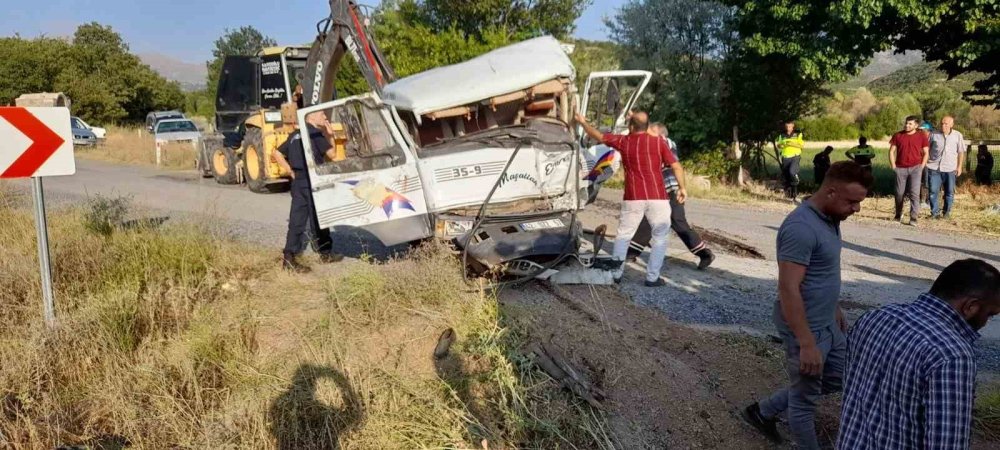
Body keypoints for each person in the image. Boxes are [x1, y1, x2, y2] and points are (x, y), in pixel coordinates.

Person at [741, 161, 872, 449]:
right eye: (852, 202)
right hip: (807, 329)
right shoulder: (800, 227)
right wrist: (806, 343)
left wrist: (833, 305)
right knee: (803, 404)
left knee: (844, 376)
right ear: (831, 192)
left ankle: (763, 410)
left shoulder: (830, 219)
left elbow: (822, 272)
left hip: (827, 323)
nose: (857, 209)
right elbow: (788, 288)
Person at [838, 259, 1000, 450]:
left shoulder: (875, 317)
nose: (986, 322)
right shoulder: (952, 355)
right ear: (971, 307)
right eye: (990, 314)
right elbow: (947, 444)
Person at [575, 111, 688, 287]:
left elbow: (598, 136)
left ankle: (616, 273)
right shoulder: (659, 142)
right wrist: (682, 188)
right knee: (660, 237)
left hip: (633, 197)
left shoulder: (624, 141)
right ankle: (652, 277)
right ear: (648, 126)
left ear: (631, 126)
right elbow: (677, 166)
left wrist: (582, 122)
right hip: (658, 197)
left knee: (624, 235)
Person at [627, 123, 716, 270]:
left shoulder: (667, 143)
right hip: (660, 191)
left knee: (672, 221)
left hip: (671, 191)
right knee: (659, 220)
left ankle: (704, 254)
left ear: (661, 134)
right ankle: (631, 252)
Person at [273, 107, 345, 273]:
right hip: (313, 180)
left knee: (297, 220)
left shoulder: (294, 135)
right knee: (320, 217)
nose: (325, 116)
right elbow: (333, 155)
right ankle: (325, 253)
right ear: (311, 117)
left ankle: (289, 258)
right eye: (321, 114)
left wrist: (290, 171)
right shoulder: (314, 134)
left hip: (298, 182)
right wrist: (330, 134)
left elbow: (276, 153)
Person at [889, 116, 930, 226]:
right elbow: (892, 151)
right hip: (900, 168)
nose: (907, 125)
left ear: (916, 125)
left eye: (910, 124)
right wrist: (893, 166)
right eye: (906, 123)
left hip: (916, 168)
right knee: (899, 193)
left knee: (914, 193)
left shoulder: (922, 136)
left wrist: (922, 166)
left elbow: (926, 152)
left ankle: (913, 217)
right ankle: (898, 214)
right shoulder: (898, 135)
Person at [926, 116, 966, 219]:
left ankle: (946, 213)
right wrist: (926, 161)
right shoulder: (933, 134)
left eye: (946, 124)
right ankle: (934, 213)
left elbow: (961, 152)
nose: (943, 125)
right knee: (933, 191)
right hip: (934, 168)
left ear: (952, 125)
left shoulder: (957, 135)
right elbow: (926, 148)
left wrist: (959, 167)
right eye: (942, 123)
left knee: (949, 192)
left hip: (950, 169)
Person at [777, 120, 805, 200]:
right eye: (786, 126)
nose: (788, 128)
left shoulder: (798, 134)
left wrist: (791, 144)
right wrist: (782, 145)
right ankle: (790, 194)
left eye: (789, 126)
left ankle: (795, 186)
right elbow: (779, 145)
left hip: (795, 156)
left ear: (793, 126)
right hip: (785, 157)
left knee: (792, 172)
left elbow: (801, 145)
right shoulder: (782, 135)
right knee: (787, 176)